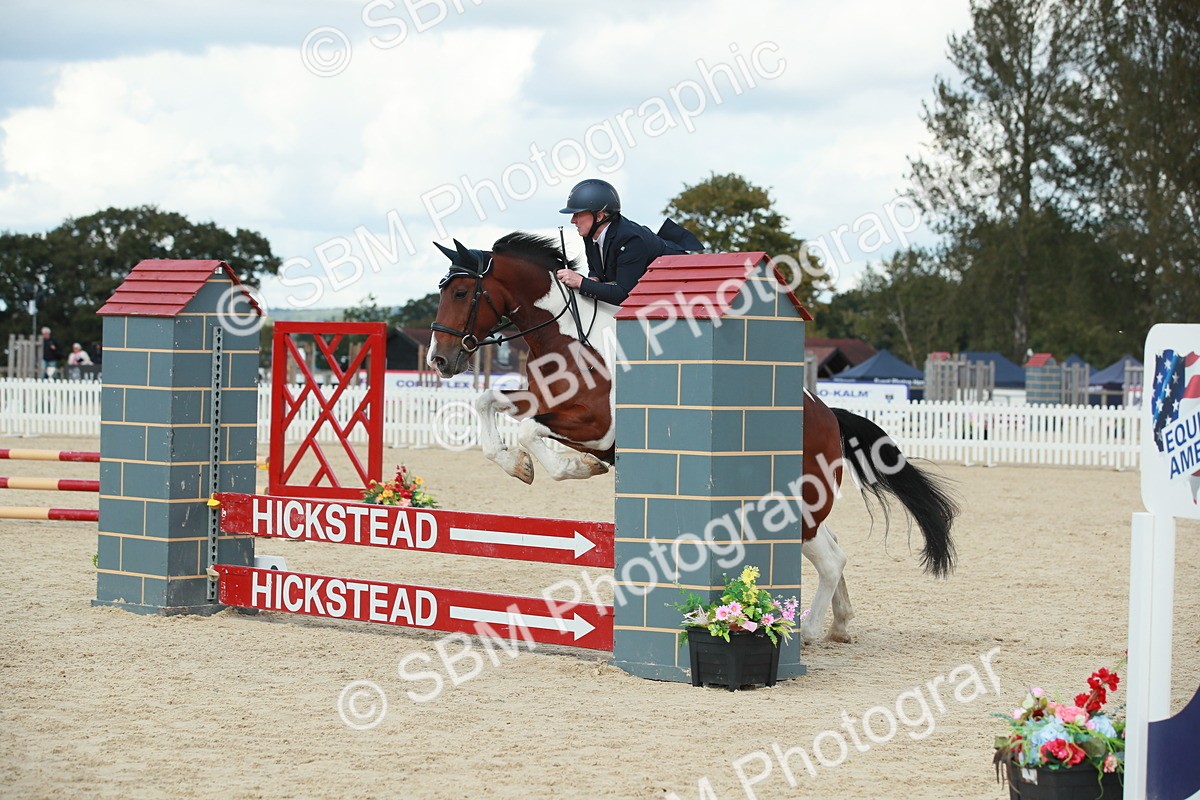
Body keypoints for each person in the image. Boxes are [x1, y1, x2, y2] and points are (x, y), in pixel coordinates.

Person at [555, 179, 702, 306]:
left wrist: (581, 282)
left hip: (682, 285)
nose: (573, 220)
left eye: (578, 214)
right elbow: (596, 269)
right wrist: (593, 279)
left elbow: (624, 294)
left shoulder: (630, 239)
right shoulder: (590, 234)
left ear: (599, 216)